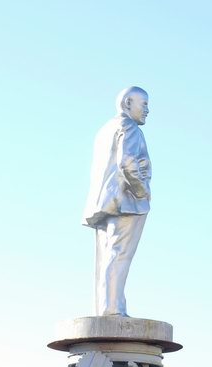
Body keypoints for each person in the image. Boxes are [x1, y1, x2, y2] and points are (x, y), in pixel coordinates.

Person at [82, 86, 151, 316]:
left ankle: (107, 307)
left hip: (106, 202)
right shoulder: (129, 127)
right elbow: (127, 163)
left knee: (107, 256)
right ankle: (113, 309)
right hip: (126, 202)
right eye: (144, 104)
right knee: (119, 255)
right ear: (128, 103)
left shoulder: (105, 129)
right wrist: (142, 192)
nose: (147, 110)